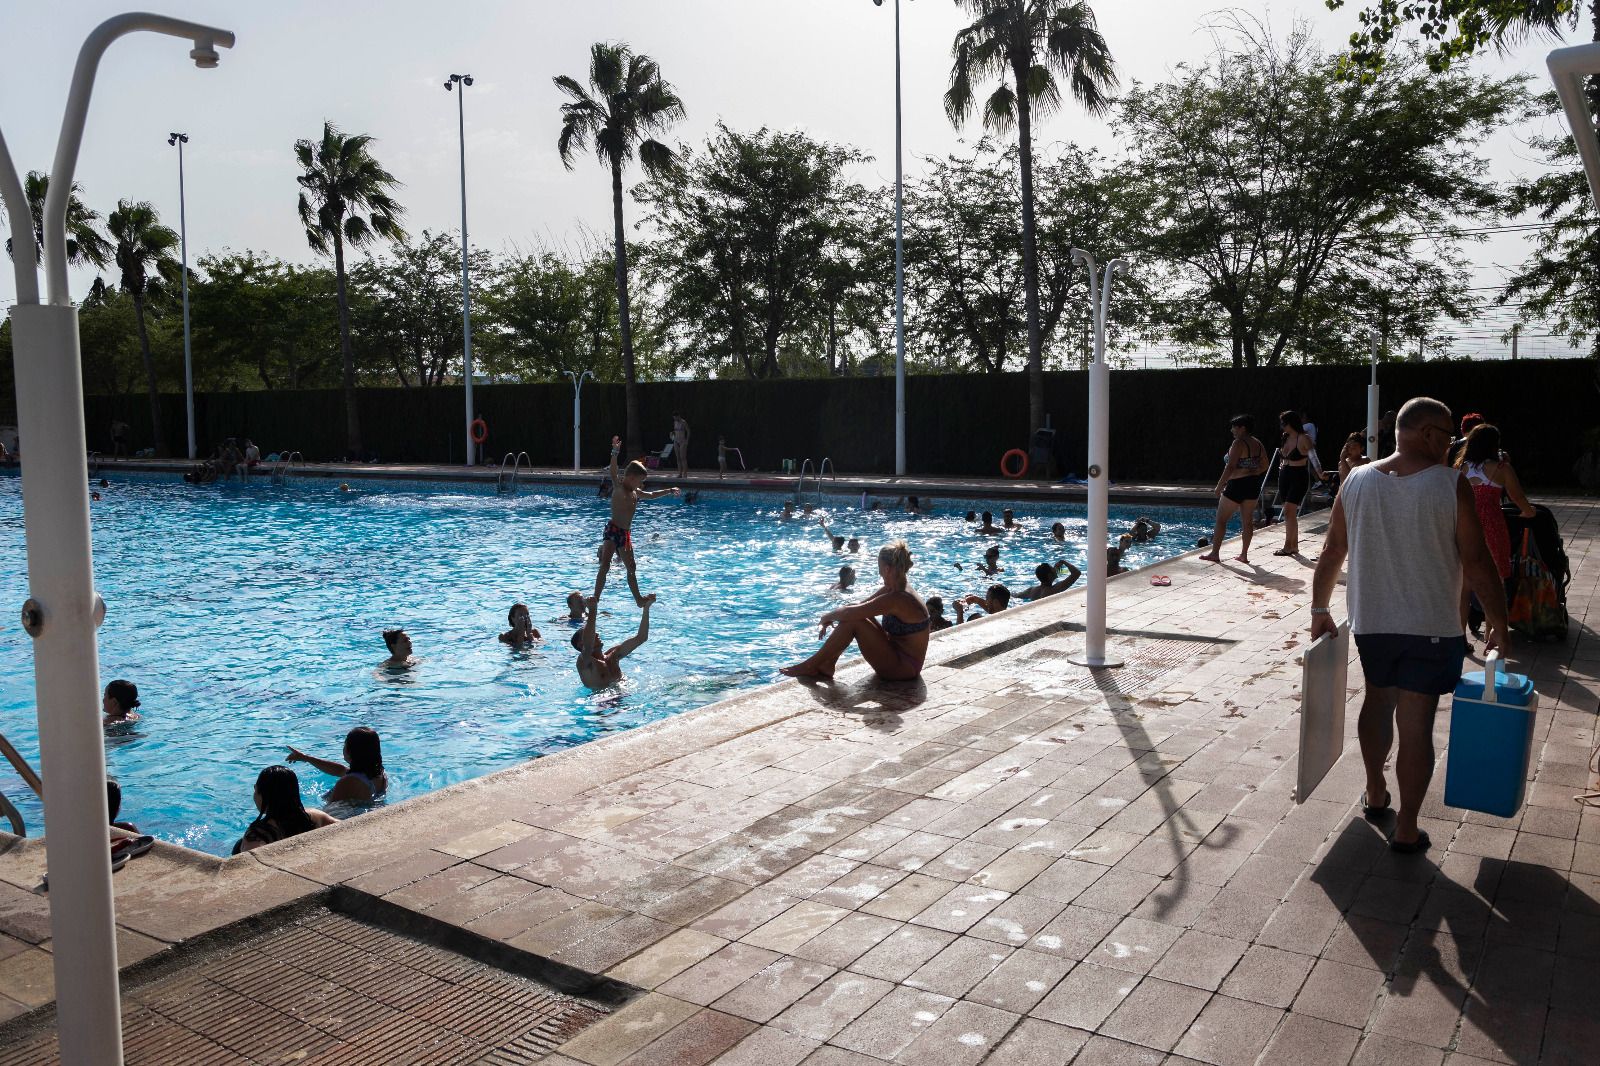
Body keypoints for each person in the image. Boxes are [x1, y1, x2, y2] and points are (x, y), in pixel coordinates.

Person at [1311, 397, 1509, 854]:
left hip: (1373, 622)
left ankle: (1376, 791)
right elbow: (1477, 562)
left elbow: (1331, 552)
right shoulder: (1449, 484)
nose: (1450, 445)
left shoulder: (1356, 479)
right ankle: (1407, 828)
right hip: (1431, 626)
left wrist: (1320, 611)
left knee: (1378, 701)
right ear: (1425, 434)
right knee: (1416, 723)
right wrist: (1499, 623)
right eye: (1446, 436)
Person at [780, 541, 929, 681]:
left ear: (886, 569)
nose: (879, 573)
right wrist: (833, 617)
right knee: (854, 611)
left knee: (854, 621)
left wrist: (825, 617)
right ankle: (827, 664)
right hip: (898, 657)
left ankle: (810, 666)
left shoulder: (897, 598)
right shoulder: (895, 588)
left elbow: (850, 614)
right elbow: (857, 607)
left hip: (905, 668)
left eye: (879, 568)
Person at [1455, 423, 1535, 635]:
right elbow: (1517, 497)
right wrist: (1529, 512)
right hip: (1492, 528)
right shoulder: (1502, 469)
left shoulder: (1460, 467)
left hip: (1462, 528)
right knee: (1494, 584)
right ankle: (1493, 637)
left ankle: (1460, 636)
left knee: (1464, 587)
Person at [595, 435, 679, 605]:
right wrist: (615, 452)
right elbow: (612, 470)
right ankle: (596, 597)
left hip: (625, 534)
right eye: (640, 481)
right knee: (605, 565)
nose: (641, 485)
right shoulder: (619, 486)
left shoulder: (635, 492)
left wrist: (669, 490)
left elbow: (651, 495)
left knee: (631, 568)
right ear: (632, 478)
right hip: (613, 530)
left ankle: (639, 600)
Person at [1200, 414, 1266, 565]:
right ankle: (1244, 555)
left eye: (1234, 427)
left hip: (1237, 485)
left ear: (1242, 428)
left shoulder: (1238, 443)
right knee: (1247, 521)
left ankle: (1215, 553)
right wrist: (1251, 472)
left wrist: (1219, 486)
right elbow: (1265, 466)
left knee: (1221, 520)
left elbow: (1230, 466)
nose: (1231, 430)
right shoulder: (1258, 443)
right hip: (1253, 484)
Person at [232, 765, 337, 854]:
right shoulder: (315, 816)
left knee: (238, 846)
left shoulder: (257, 834)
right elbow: (346, 828)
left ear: (264, 795)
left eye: (255, 789)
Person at [288, 726, 388, 805]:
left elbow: (329, 810)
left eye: (345, 744)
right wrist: (306, 758)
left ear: (351, 751)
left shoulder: (348, 782)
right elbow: (340, 770)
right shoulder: (380, 773)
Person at [573, 594, 654, 689]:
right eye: (592, 633)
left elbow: (641, 638)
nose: (596, 634)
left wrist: (646, 608)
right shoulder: (585, 662)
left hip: (625, 695)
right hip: (603, 700)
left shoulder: (612, 656)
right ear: (581, 644)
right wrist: (593, 610)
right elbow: (588, 645)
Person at [1274, 411, 1315, 557]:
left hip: (1298, 475)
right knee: (1289, 512)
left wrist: (1320, 473)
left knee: (1289, 510)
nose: (1282, 426)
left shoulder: (1304, 438)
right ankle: (1294, 546)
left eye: (1283, 423)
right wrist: (1280, 468)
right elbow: (1282, 457)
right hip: (1285, 475)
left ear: (1290, 423)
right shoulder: (1285, 437)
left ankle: (1287, 546)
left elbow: (1314, 458)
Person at [671, 412, 690, 477]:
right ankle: (680, 473)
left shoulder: (683, 422)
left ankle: (685, 473)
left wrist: (687, 440)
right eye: (674, 418)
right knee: (678, 458)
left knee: (683, 457)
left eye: (676, 418)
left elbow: (688, 431)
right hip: (676, 440)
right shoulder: (675, 422)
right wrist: (672, 433)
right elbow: (675, 431)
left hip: (682, 441)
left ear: (678, 416)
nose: (675, 419)